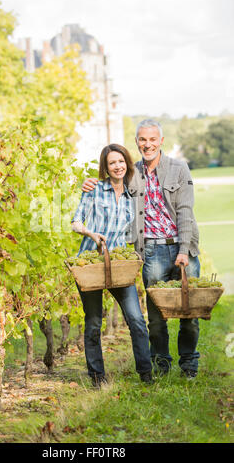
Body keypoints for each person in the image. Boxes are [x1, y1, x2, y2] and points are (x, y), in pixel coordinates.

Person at [82, 120, 201, 379]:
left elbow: (185, 212)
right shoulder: (132, 173)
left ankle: (189, 365)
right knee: (156, 319)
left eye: (152, 139)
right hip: (150, 252)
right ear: (137, 142)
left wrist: (183, 249)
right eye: (142, 140)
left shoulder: (179, 168)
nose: (147, 144)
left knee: (189, 312)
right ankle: (161, 365)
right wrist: (90, 183)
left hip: (182, 247)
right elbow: (109, 185)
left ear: (161, 141)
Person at [71, 143, 153, 388]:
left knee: (136, 319)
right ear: (105, 168)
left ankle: (146, 374)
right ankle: (97, 377)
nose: (117, 166)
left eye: (121, 161)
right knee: (94, 321)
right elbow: (75, 222)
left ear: (127, 162)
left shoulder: (133, 194)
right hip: (92, 264)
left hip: (118, 264)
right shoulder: (94, 189)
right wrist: (91, 233)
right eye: (112, 163)